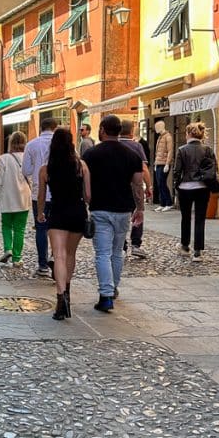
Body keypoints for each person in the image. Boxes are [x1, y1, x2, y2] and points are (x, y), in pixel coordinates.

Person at [83, 114, 145, 312]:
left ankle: (106, 295)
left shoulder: (91, 155)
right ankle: (114, 288)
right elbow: (137, 185)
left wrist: (87, 199)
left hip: (100, 208)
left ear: (102, 129)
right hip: (123, 209)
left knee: (102, 253)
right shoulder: (132, 156)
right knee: (117, 251)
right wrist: (140, 208)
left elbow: (84, 183)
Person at [37, 128, 90, 319]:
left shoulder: (46, 169)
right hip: (77, 212)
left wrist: (41, 213)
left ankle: (60, 299)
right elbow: (88, 196)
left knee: (58, 256)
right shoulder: (81, 166)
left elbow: (41, 196)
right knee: (70, 255)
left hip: (57, 213)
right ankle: (67, 291)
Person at [171, 122, 217, 261]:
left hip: (185, 187)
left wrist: (176, 185)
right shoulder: (207, 149)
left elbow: (177, 170)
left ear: (188, 134)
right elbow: (214, 168)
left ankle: (185, 246)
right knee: (200, 219)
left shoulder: (182, 150)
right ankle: (198, 251)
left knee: (185, 218)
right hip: (202, 187)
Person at [22, 116, 58, 277]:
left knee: (41, 228)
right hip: (59, 193)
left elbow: (26, 171)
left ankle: (42, 264)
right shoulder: (63, 144)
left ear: (41, 128)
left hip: (39, 193)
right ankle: (56, 259)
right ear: (55, 128)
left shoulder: (31, 144)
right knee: (58, 228)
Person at [0, 131, 31, 269]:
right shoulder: (28, 157)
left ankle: (7, 248)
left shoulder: (4, 158)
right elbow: (31, 178)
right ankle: (17, 258)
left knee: (6, 225)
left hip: (7, 197)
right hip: (23, 198)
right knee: (20, 229)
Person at [120, 119, 152, 259]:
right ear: (132, 131)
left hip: (118, 187)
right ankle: (136, 244)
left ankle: (122, 244)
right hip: (134, 185)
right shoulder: (136, 146)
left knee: (121, 215)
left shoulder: (113, 144)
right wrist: (148, 186)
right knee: (138, 212)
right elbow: (143, 168)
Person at [154, 119, 174, 210]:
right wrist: (155, 163)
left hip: (164, 163)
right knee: (159, 183)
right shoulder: (160, 137)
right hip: (158, 163)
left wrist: (167, 163)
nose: (155, 129)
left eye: (157, 127)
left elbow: (170, 151)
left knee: (162, 183)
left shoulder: (168, 137)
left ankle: (168, 203)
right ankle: (162, 203)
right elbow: (157, 151)